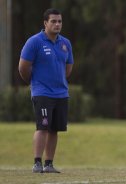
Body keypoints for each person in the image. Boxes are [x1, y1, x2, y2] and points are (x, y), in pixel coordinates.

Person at [18, 8, 74, 173]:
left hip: (61, 93)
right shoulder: (34, 42)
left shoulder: (65, 43)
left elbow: (68, 67)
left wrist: (60, 81)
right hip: (42, 92)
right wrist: (35, 83)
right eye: (53, 21)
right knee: (42, 127)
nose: (57, 24)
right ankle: (37, 162)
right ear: (45, 23)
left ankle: (49, 164)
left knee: (54, 129)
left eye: (60, 21)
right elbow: (23, 67)